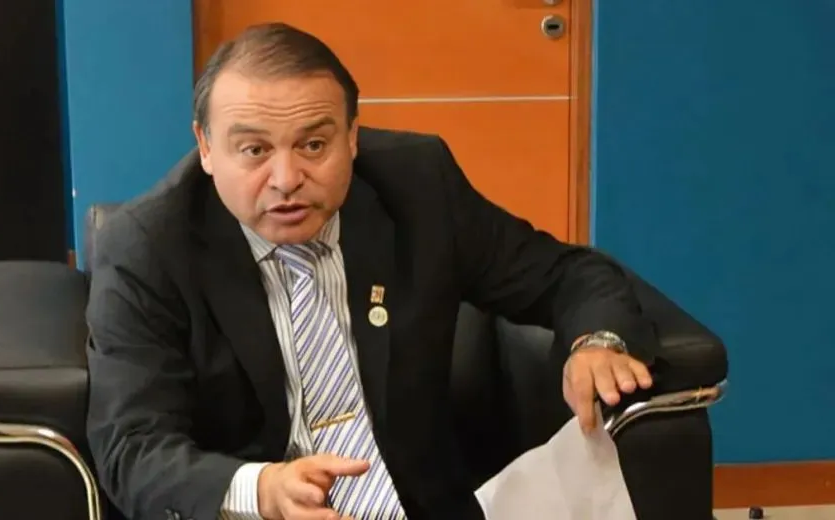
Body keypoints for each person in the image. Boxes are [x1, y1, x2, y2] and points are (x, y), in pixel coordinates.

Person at [86, 22, 658, 520]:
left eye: (314, 145)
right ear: (206, 148)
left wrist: (597, 343)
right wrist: (262, 490)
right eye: (254, 151)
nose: (286, 179)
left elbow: (566, 274)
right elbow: (131, 446)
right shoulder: (148, 247)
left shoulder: (419, 186)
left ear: (353, 137)